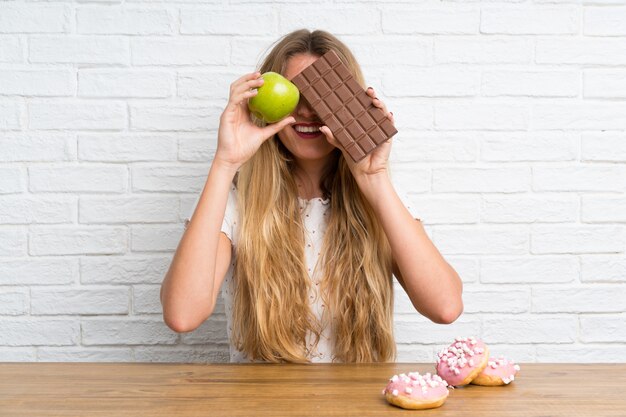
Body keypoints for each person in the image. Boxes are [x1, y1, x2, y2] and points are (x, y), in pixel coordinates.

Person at [160, 29, 463, 364]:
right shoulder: (234, 203)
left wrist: (374, 179)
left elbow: (445, 307)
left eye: (322, 96)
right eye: (295, 93)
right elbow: (183, 315)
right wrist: (225, 162)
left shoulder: (381, 199)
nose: (306, 111)